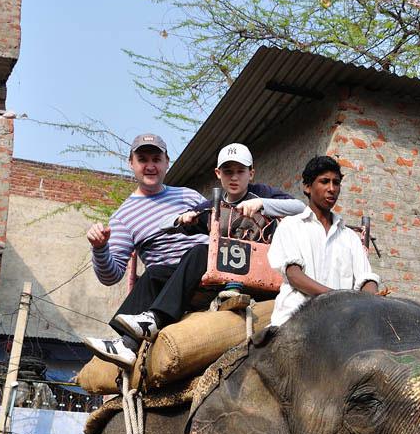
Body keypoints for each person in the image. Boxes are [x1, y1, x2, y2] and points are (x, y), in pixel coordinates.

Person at [86, 140, 304, 367]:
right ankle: (128, 342)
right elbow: (165, 225)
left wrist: (263, 204)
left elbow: (299, 208)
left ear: (251, 173)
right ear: (218, 174)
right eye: (228, 172)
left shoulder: (260, 193)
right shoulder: (213, 207)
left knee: (201, 251)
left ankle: (157, 317)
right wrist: (181, 218)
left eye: (240, 171)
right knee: (155, 273)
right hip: (216, 272)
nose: (234, 178)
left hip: (253, 269)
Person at [267, 156, 380, 326]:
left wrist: (373, 301)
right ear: (307, 187)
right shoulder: (291, 226)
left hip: (340, 322)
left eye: (336, 183)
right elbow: (294, 275)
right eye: (324, 181)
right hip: (295, 319)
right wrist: (338, 299)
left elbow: (366, 279)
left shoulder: (349, 237)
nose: (331, 188)